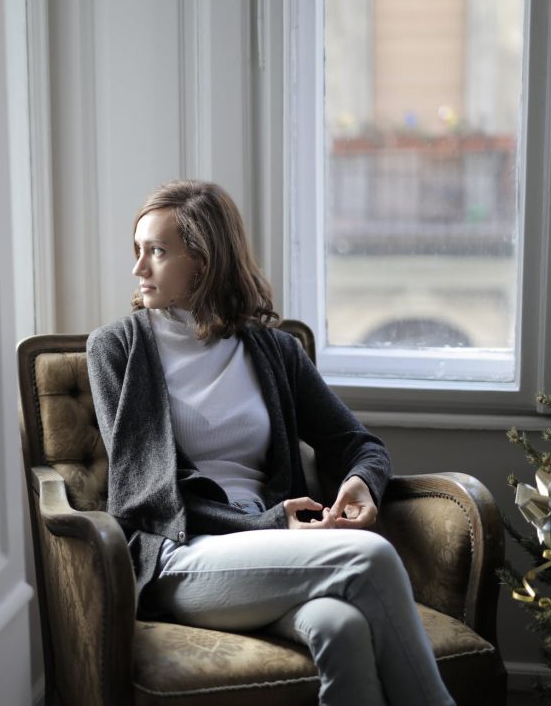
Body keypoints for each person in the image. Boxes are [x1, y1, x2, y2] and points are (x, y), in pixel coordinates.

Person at [87, 180, 454, 706]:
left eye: (157, 251)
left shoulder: (274, 350)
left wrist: (360, 485)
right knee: (368, 557)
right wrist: (268, 521)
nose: (138, 268)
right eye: (138, 250)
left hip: (274, 551)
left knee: (342, 629)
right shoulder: (116, 348)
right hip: (181, 553)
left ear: (205, 260)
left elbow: (358, 443)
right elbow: (148, 492)